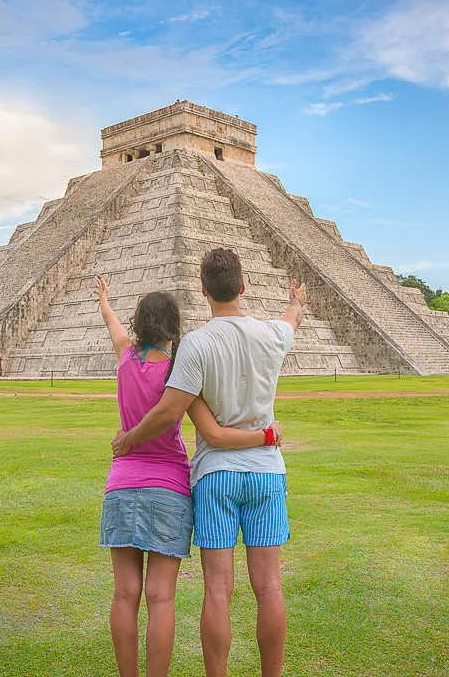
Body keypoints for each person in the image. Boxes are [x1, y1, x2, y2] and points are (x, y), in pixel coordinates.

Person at [111, 248, 306, 677]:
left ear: (202, 290)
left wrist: (127, 440)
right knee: (269, 587)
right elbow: (291, 321)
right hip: (266, 472)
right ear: (243, 286)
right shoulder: (273, 334)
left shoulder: (195, 345)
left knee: (218, 590)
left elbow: (169, 410)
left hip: (216, 473)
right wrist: (296, 301)